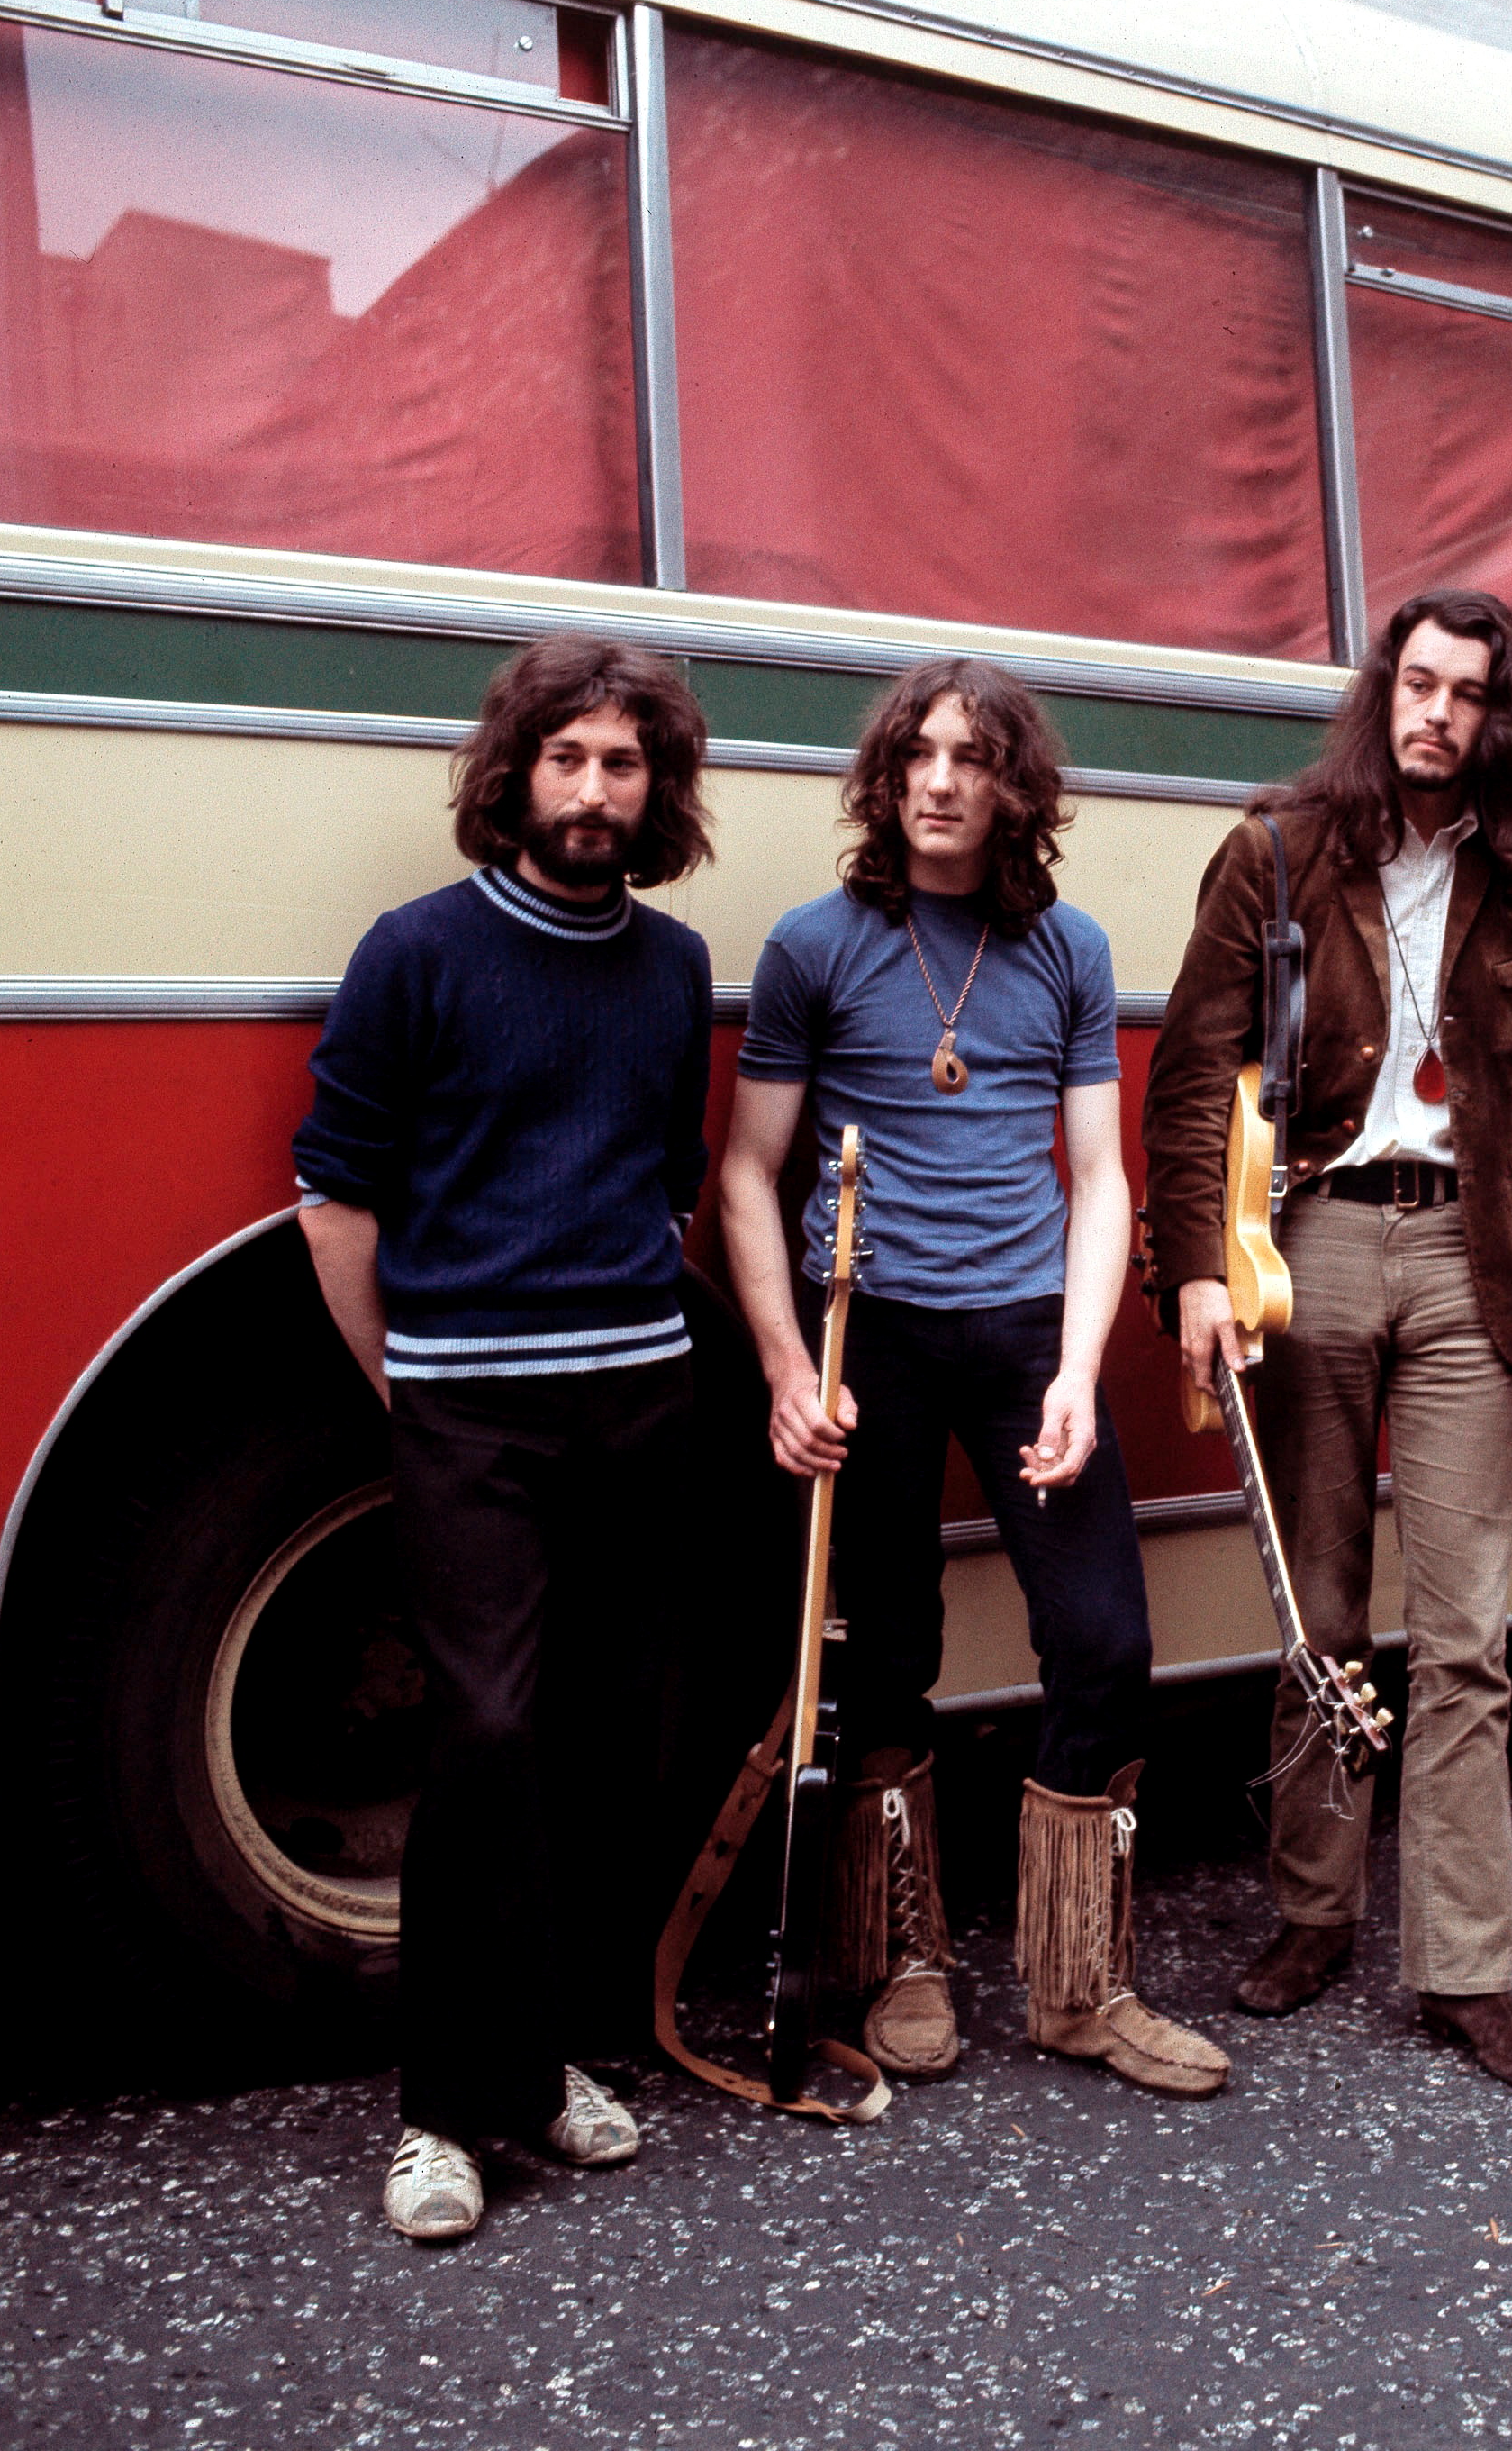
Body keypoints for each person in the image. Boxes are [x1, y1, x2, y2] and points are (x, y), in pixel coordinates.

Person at [717, 657, 1227, 2101]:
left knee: (1106, 1647)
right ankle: (905, 1962)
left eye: (971, 758)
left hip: (1020, 1340)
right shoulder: (816, 945)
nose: (939, 780)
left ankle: (1079, 1986)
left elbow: (1099, 1180)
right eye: (917, 757)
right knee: (885, 1658)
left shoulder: (1066, 950)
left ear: (1017, 788)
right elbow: (747, 1175)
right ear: (887, 781)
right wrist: (783, 1370)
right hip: (867, 1337)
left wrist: (1078, 1371)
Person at [1144, 587, 1512, 2097]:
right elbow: (1195, 1075)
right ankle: (1311, 1911)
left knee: (1466, 1633)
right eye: (1418, 684)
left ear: (1498, 717)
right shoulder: (1275, 847)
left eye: (1469, 694)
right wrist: (1194, 1278)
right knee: (1317, 1601)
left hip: (1470, 1251)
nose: (1437, 715)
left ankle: (1468, 1969)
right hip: (1314, 1245)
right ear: (1381, 691)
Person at [294, 634, 717, 2243]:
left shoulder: (672, 970)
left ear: (654, 789)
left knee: (599, 1746)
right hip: (471, 1410)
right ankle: (436, 2119)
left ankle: (539, 2072)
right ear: (516, 776)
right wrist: (407, 1383)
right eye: (569, 762)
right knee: (481, 1740)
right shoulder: (419, 952)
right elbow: (333, 1191)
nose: (596, 791)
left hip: (638, 1397)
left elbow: (664, 1169)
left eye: (624, 765)